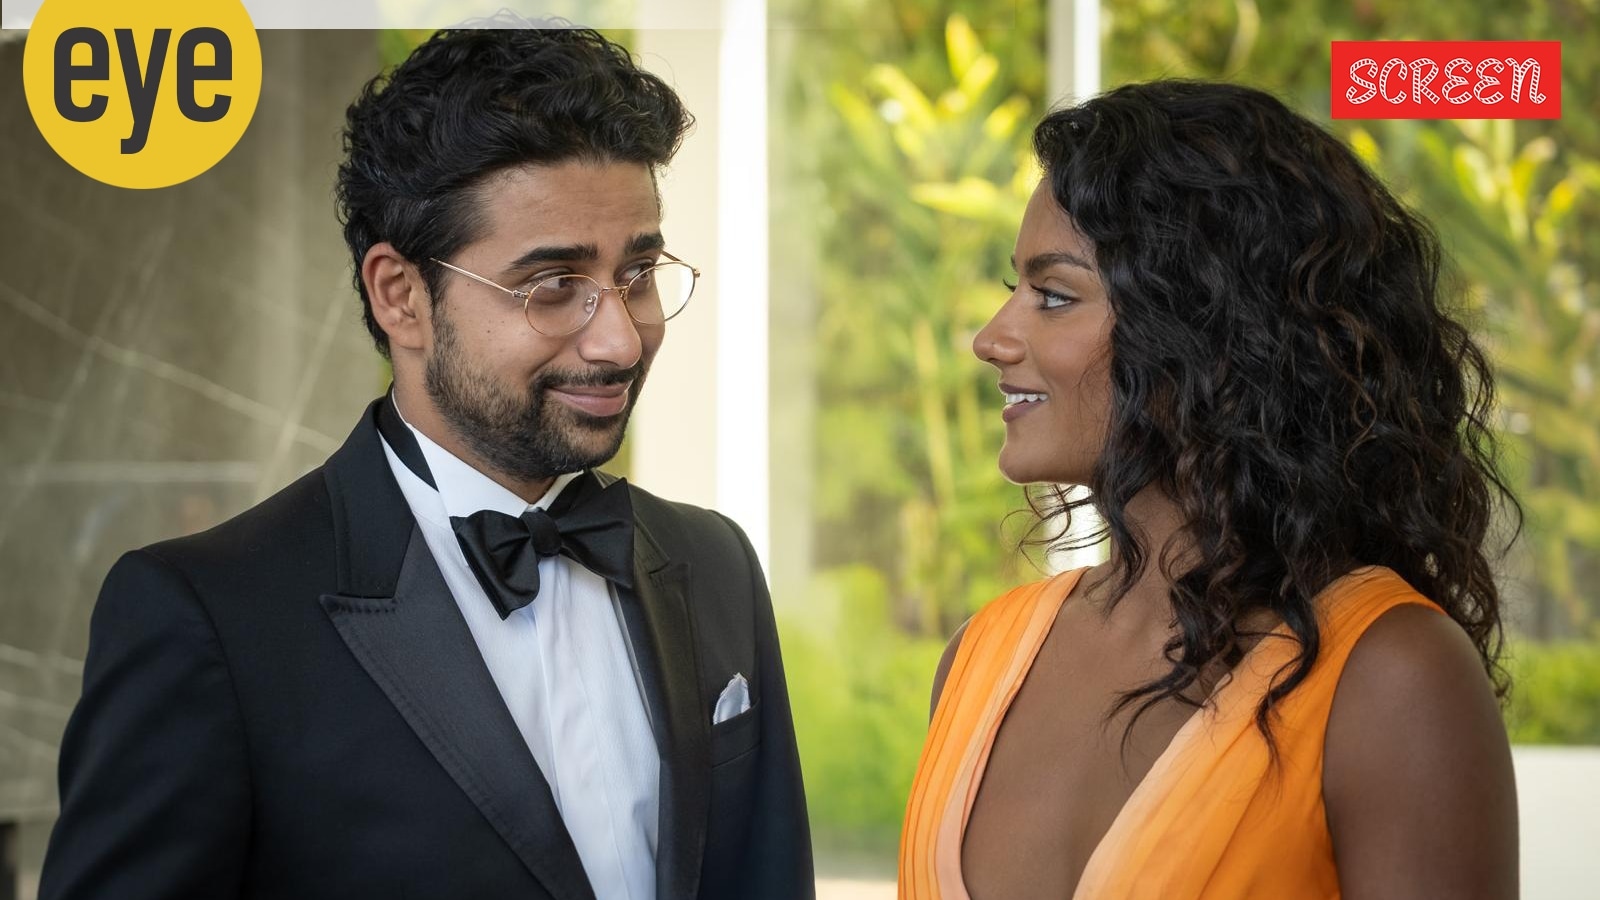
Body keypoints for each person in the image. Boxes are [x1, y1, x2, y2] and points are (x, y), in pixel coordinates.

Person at [40, 23, 811, 900]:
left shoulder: (716, 566)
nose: (621, 340)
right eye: (554, 286)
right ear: (400, 295)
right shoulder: (209, 618)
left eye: (638, 273)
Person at [899, 81, 1519, 899]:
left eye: (1053, 296)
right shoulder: (980, 658)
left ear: (1211, 331)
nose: (992, 339)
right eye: (1013, 290)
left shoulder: (1390, 679)